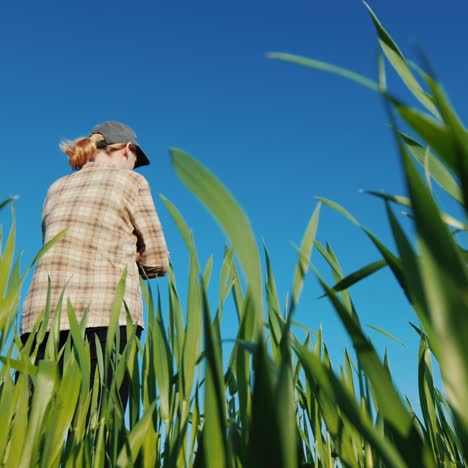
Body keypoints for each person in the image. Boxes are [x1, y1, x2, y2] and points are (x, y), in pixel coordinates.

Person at [20, 121, 169, 406]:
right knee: (99, 427)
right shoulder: (132, 182)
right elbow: (158, 258)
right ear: (127, 149)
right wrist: (131, 258)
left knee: (32, 431)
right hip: (106, 318)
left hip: (41, 321)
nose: (134, 167)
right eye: (135, 160)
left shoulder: (57, 187)